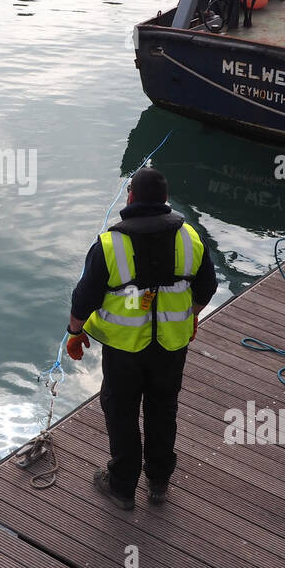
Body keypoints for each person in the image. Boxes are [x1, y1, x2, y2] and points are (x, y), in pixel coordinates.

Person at [66, 167, 217, 510]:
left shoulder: (109, 244)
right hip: (171, 346)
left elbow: (83, 299)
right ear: (165, 199)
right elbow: (207, 287)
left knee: (121, 413)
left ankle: (121, 486)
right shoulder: (190, 238)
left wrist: (75, 333)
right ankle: (159, 483)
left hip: (124, 351)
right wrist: (190, 316)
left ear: (130, 196)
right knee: (163, 410)